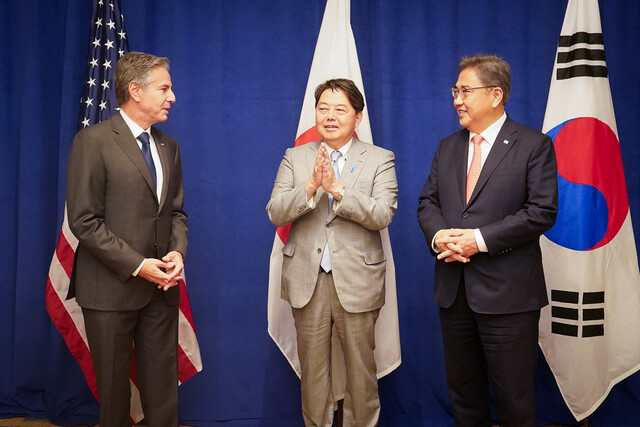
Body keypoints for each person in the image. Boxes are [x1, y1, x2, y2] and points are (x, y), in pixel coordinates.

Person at [417, 54, 558, 426]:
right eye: (455, 90)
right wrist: (439, 235)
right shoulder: (448, 146)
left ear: (496, 95)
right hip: (454, 291)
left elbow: (542, 211)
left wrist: (478, 239)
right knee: (464, 399)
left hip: (509, 295)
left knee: (514, 401)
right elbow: (428, 202)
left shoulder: (533, 144)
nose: (456, 99)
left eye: (465, 90)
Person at [267, 78, 398, 427]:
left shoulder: (380, 159)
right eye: (323, 108)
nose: (329, 116)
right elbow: (275, 211)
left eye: (340, 109)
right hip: (306, 281)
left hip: (357, 280)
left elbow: (383, 214)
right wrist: (310, 187)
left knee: (361, 374)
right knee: (313, 375)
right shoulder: (295, 157)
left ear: (357, 117)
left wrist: (337, 190)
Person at [66, 52, 188, 427]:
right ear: (135, 90)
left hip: (162, 289)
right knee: (115, 399)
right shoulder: (93, 141)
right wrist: (138, 266)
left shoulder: (169, 145)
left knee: (163, 390)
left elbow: (177, 213)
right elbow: (84, 221)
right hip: (109, 291)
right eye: (164, 88)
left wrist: (176, 252)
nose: (172, 97)